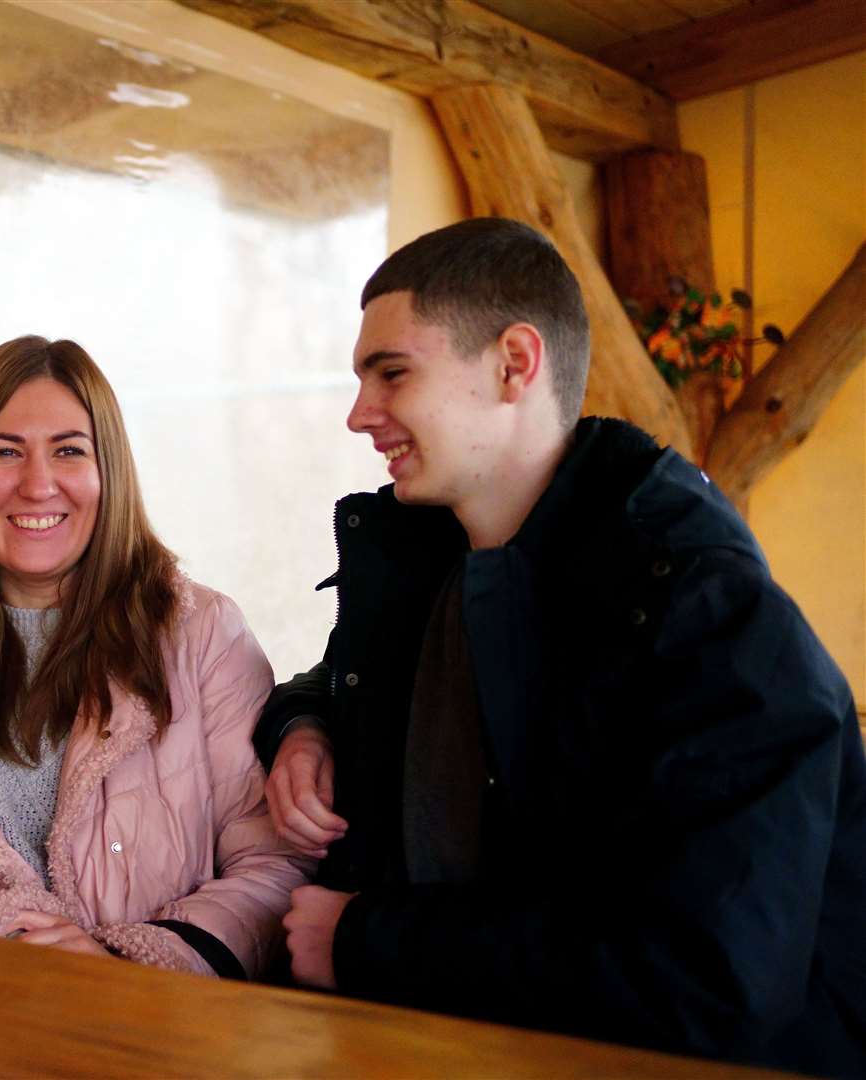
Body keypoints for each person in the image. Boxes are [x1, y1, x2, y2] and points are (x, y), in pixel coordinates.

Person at [259, 217, 866, 1074]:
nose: (360, 415)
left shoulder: (714, 620)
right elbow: (340, 676)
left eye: (391, 373)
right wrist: (302, 726)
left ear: (515, 363)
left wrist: (365, 940)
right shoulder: (430, 556)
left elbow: (708, 981)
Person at [0, 335, 312, 976]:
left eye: (68, 451)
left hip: (158, 1028)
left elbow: (274, 864)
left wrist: (127, 959)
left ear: (106, 470)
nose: (37, 484)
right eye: (5, 452)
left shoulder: (203, 632)